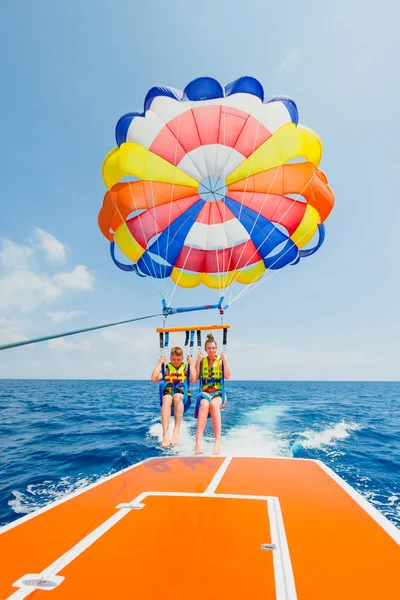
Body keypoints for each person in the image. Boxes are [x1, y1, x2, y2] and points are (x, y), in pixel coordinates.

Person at [151, 347, 196, 448]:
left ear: (182, 358)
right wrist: (159, 363)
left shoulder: (185, 369)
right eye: (174, 359)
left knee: (177, 397)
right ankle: (165, 434)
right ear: (170, 358)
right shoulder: (167, 370)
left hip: (182, 398)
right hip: (168, 394)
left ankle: (176, 432)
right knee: (167, 398)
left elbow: (193, 379)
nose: (176, 362)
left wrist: (192, 363)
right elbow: (154, 378)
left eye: (178, 359)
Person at [194, 333, 231, 455]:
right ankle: (198, 441)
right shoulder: (202, 361)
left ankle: (217, 442)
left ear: (216, 349)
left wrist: (225, 360)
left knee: (214, 406)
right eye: (209, 348)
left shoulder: (220, 362)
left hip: (219, 394)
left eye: (214, 348)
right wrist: (196, 361)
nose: (212, 350)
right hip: (205, 393)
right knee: (204, 405)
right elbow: (195, 378)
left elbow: (228, 376)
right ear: (205, 350)